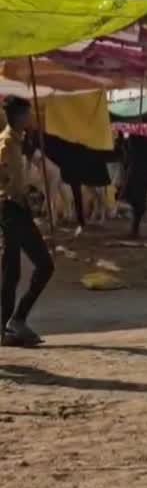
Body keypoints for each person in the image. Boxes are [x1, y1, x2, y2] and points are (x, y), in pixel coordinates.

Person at [1, 96, 54, 347]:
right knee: (31, 268)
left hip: (15, 209)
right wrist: (27, 202)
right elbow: (12, 186)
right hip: (11, 210)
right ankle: (12, 323)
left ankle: (13, 323)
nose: (30, 119)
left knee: (14, 273)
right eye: (27, 114)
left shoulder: (18, 142)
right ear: (19, 116)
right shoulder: (7, 144)